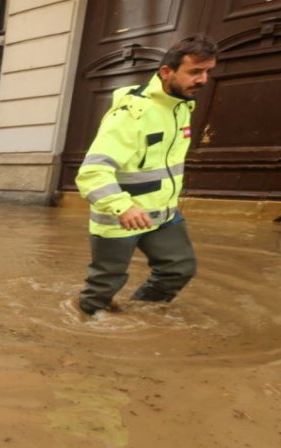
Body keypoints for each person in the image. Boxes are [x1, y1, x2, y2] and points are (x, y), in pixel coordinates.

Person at [75, 34, 217, 316]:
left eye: (207, 72)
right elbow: (91, 172)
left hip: (163, 215)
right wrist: (123, 206)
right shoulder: (131, 115)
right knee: (103, 287)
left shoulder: (181, 106)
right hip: (121, 219)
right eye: (195, 72)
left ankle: (140, 315)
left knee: (179, 269)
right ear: (167, 72)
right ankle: (83, 327)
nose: (203, 80)